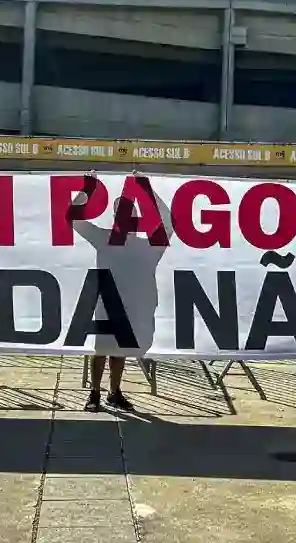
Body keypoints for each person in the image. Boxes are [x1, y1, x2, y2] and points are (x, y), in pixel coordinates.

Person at [67, 171, 171, 413]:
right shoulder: (106, 239)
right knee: (102, 350)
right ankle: (94, 392)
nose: (124, 218)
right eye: (120, 213)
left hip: (135, 306)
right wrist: (89, 188)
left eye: (129, 213)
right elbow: (73, 218)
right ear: (114, 218)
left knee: (120, 351)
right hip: (108, 302)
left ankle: (114, 392)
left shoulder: (147, 245)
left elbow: (168, 221)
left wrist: (146, 188)